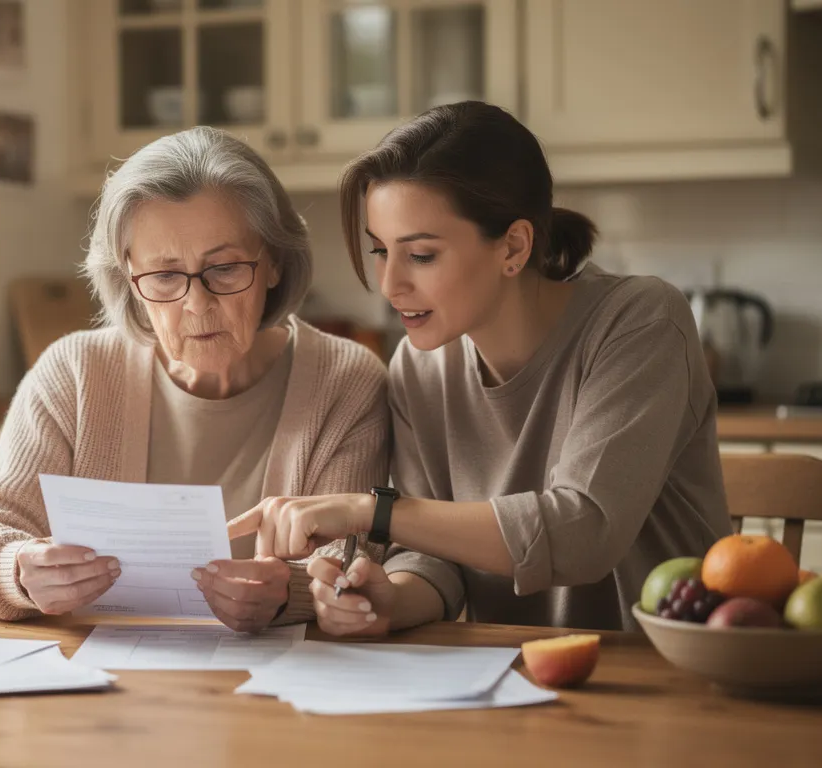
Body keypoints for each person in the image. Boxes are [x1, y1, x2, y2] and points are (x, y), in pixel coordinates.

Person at [228, 101, 732, 635]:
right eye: (380, 251)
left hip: (662, 675)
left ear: (513, 247)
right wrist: (387, 600)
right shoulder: (421, 368)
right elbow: (434, 557)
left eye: (420, 255)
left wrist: (367, 510)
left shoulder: (640, 320)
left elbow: (585, 531)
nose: (389, 284)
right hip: (514, 676)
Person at [0, 126, 389, 632]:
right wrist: (18, 570)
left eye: (225, 268)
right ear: (128, 280)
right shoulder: (75, 374)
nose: (197, 304)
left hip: (279, 689)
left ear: (275, 263)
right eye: (165, 276)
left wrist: (290, 594)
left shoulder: (345, 382)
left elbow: (353, 564)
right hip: (99, 684)